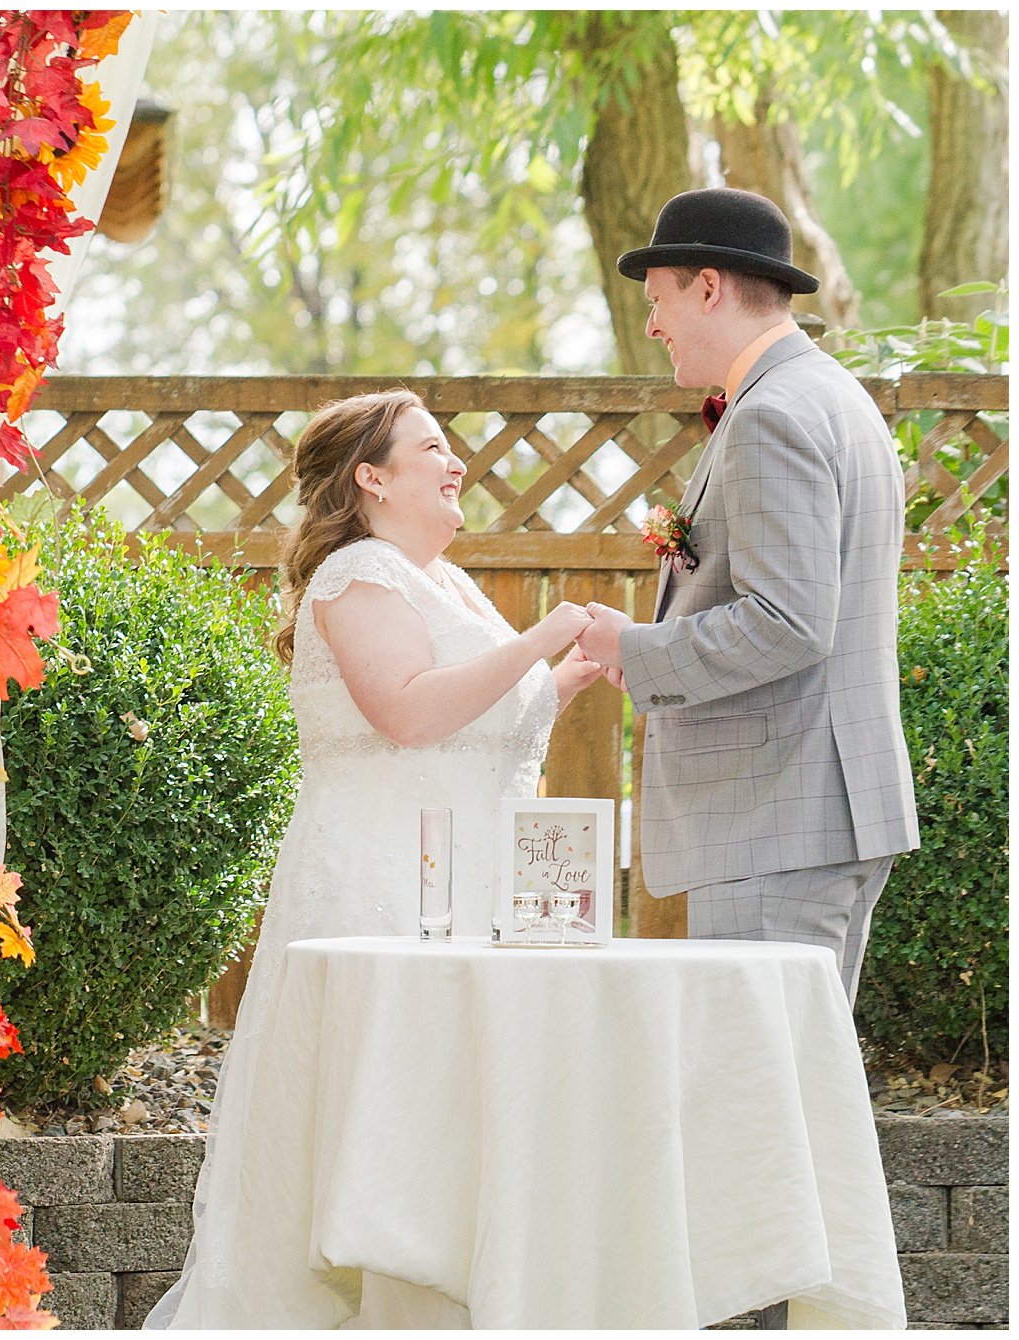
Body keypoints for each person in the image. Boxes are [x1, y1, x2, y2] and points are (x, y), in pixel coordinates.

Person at [148, 390, 603, 1330]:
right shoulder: (356, 574)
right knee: (384, 1107)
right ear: (372, 477)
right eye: (432, 447)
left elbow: (476, 730)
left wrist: (562, 680)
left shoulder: (445, 580)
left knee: (451, 1114)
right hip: (379, 884)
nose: (456, 461)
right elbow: (406, 712)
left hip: (458, 885)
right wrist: (543, 635)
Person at [577, 187, 919, 1001]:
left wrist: (635, 648)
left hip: (777, 815)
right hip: (814, 807)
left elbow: (789, 622)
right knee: (798, 1091)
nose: (652, 324)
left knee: (756, 1099)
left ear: (708, 287)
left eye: (657, 301)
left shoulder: (773, 414)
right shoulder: (831, 395)